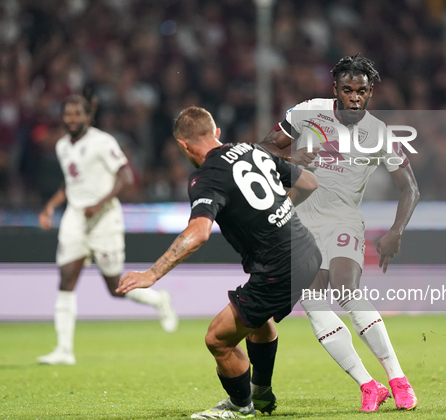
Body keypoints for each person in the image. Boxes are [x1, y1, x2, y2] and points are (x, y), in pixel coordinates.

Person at [116, 106, 321, 419]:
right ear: (217, 134)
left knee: (217, 338)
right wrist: (283, 212)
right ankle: (261, 394)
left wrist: (152, 274)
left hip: (279, 267)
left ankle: (242, 407)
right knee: (257, 322)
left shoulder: (206, 177)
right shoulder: (251, 150)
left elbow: (198, 234)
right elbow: (308, 182)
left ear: (183, 146)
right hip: (307, 250)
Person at [258, 54, 421, 411]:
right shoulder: (306, 113)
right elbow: (262, 148)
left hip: (344, 218)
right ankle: (369, 385)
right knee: (314, 303)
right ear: (335, 89)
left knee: (347, 290)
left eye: (361, 91)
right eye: (347, 90)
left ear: (370, 91)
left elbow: (410, 188)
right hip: (301, 222)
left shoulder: (379, 132)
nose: (355, 98)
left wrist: (397, 231)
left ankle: (398, 379)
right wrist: (287, 162)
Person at [37, 95, 178, 366]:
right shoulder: (63, 146)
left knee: (115, 287)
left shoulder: (103, 142)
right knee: (66, 279)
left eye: (77, 114)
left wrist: (98, 203)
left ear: (88, 117)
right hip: (75, 218)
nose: (71, 119)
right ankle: (64, 350)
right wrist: (50, 206)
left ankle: (160, 300)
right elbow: (71, 183)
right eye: (67, 115)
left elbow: (126, 177)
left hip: (104, 219)